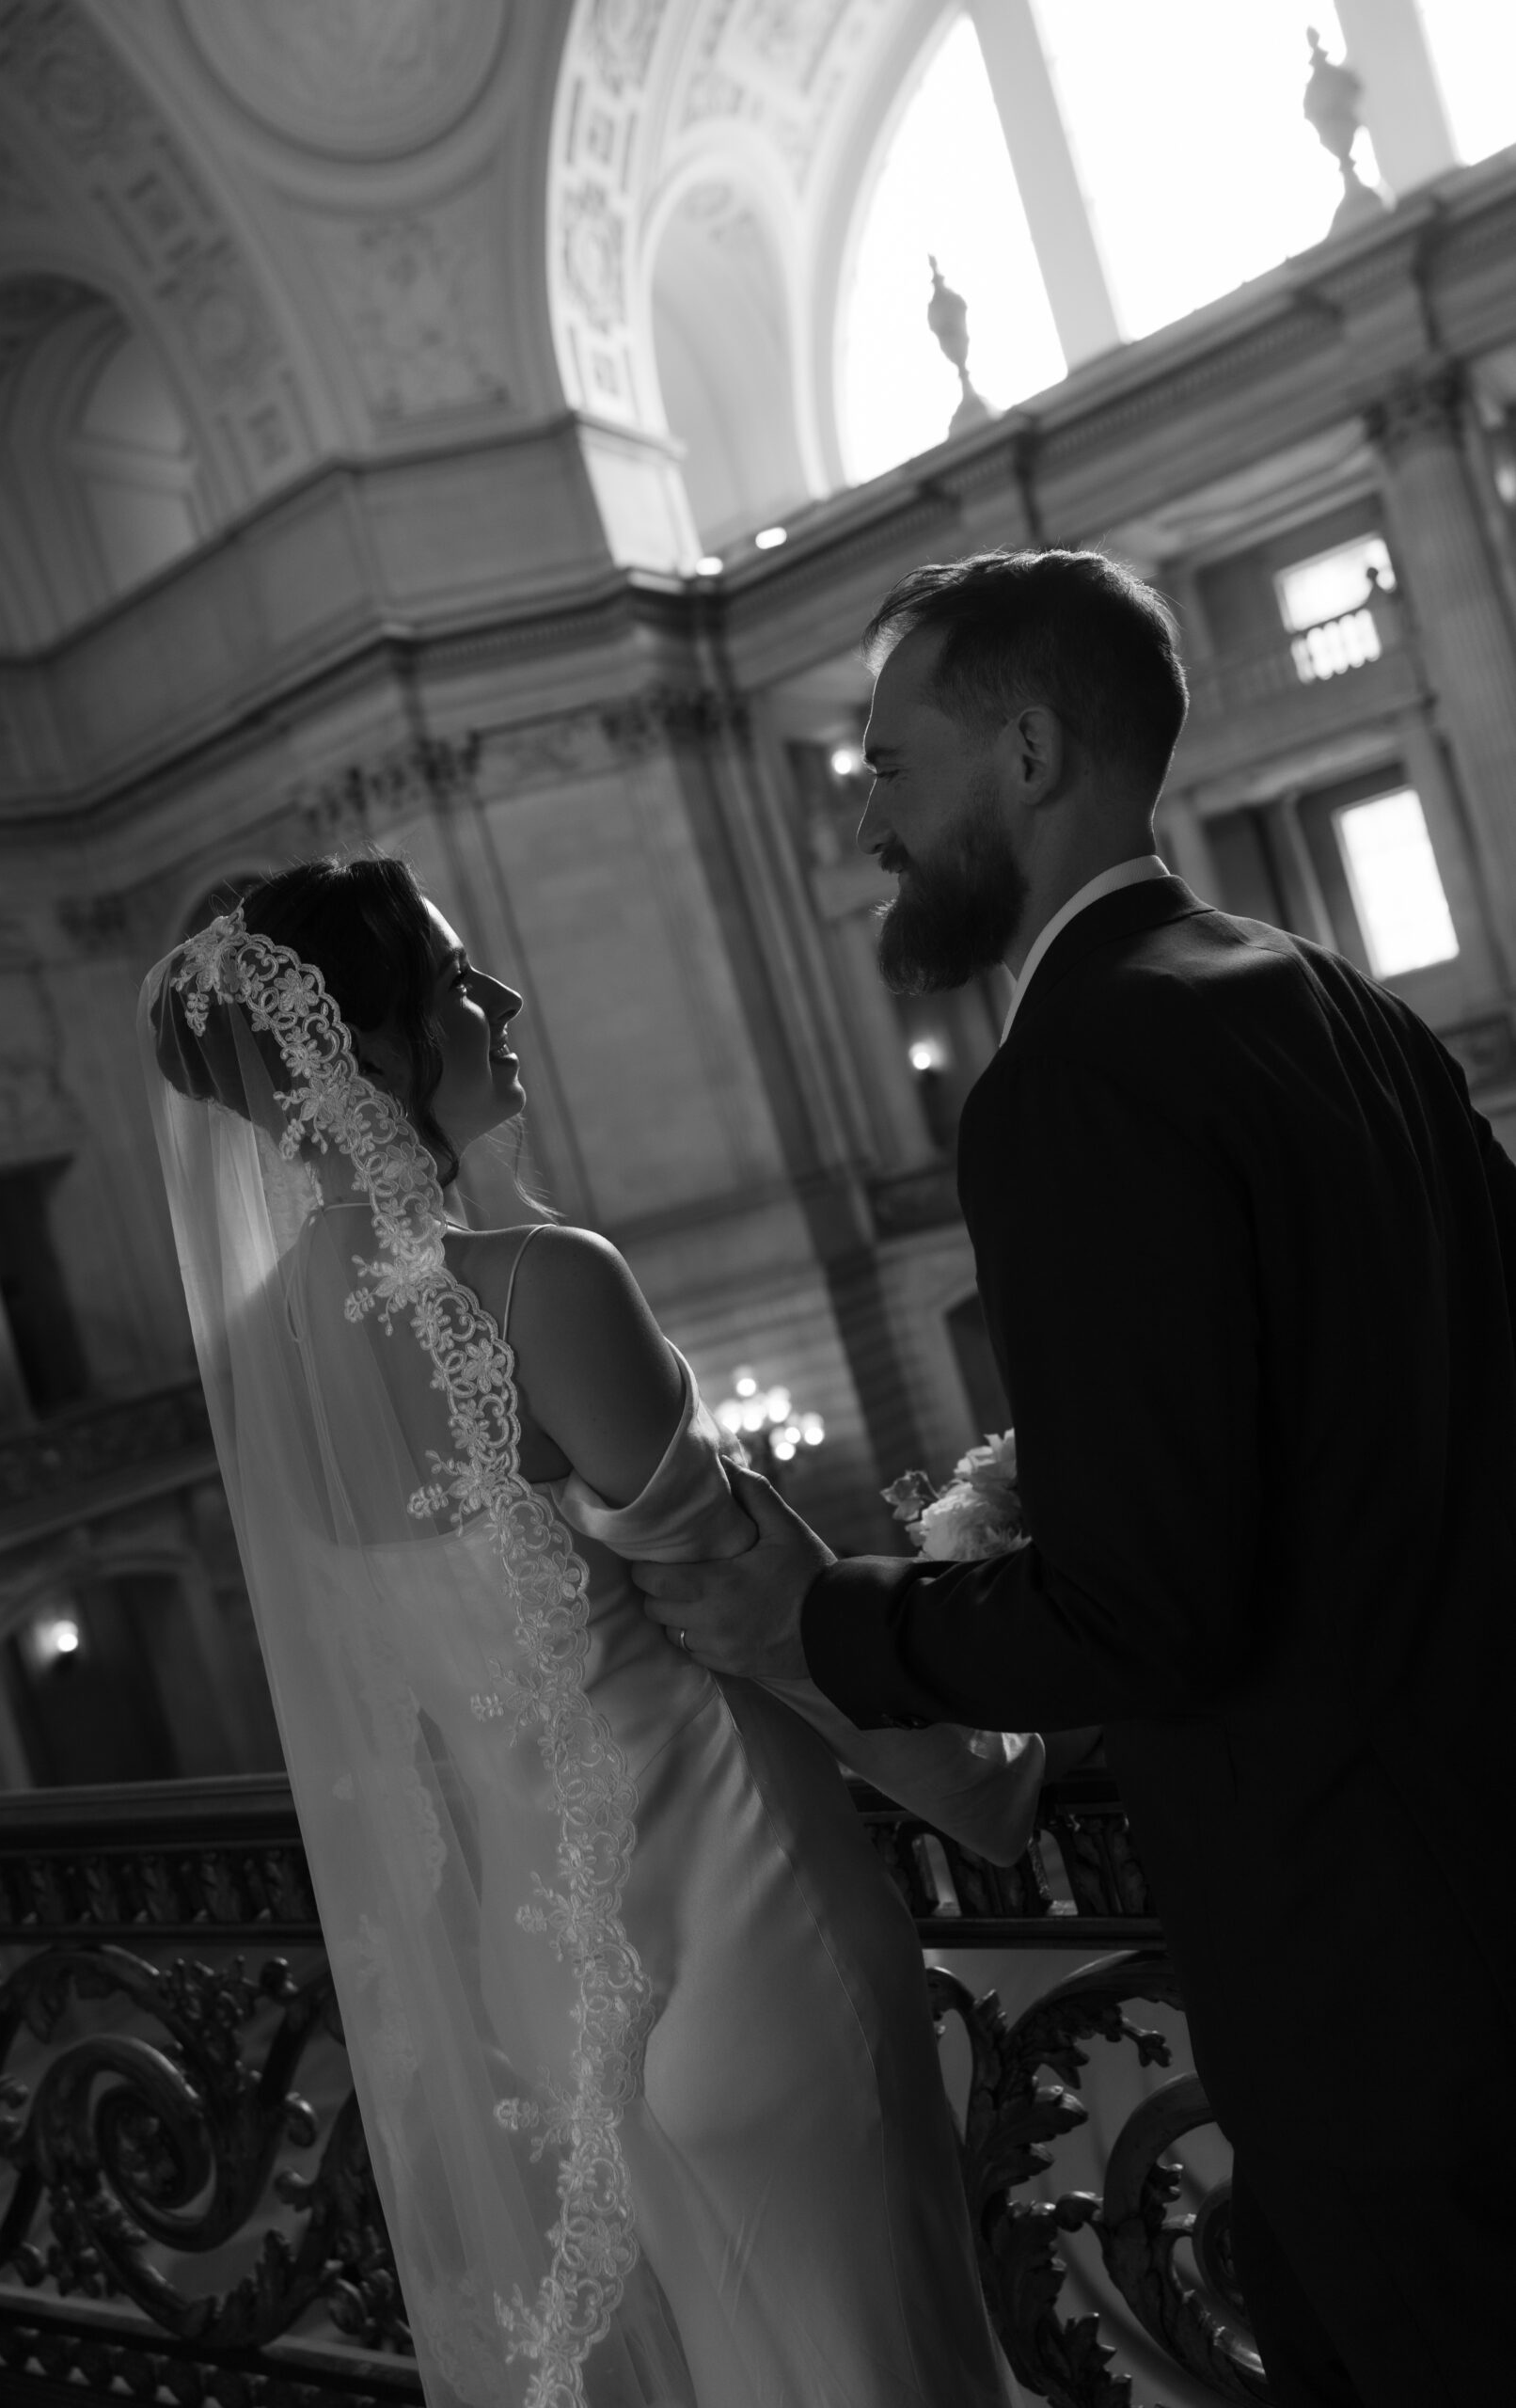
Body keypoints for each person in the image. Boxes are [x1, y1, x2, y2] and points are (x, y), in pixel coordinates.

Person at [634, 549, 1516, 2408]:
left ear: (1022, 750)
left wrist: (822, 1616)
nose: (857, 812)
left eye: (884, 763)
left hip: (1352, 1965)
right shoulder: (1332, 1003)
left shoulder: (1071, 1078)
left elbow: (1152, 1602)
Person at [140, 856, 1039, 2408]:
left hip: (546, 2002)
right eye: (454, 980)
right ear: (363, 1047)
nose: (499, 1001)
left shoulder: (271, 1367)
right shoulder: (541, 1285)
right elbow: (748, 1614)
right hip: (746, 1939)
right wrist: (991, 1762)